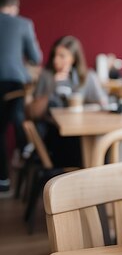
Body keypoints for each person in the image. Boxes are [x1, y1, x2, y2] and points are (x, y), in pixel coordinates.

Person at [28, 36, 108, 168]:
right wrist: (52, 87)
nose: (56, 60)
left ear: (74, 58)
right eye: (54, 55)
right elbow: (33, 113)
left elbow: (104, 104)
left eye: (62, 56)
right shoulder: (46, 76)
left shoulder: (87, 77)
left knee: (101, 145)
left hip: (83, 133)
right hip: (55, 137)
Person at [0, 0, 42, 193]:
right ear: (14, 6)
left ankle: (3, 179)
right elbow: (36, 57)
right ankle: (24, 149)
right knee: (19, 119)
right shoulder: (23, 24)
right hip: (14, 83)